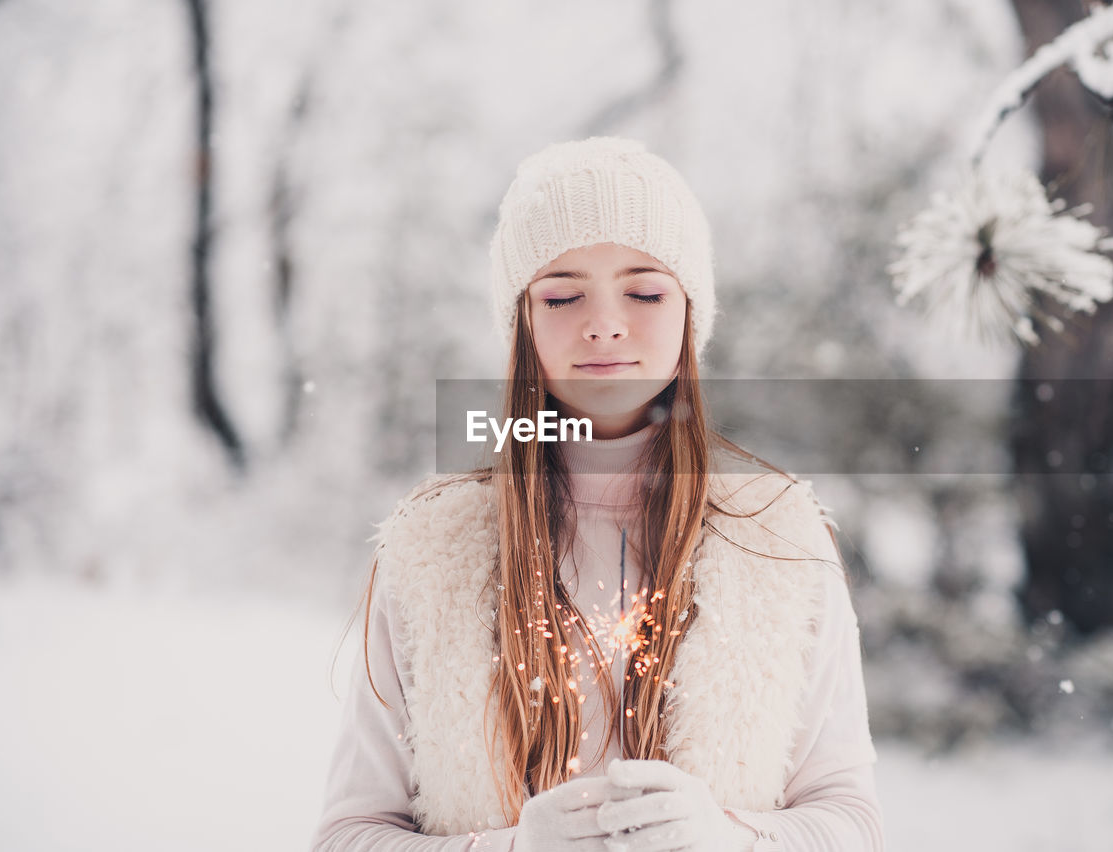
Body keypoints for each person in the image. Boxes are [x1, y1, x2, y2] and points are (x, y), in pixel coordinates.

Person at [310, 136, 885, 851]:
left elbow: (850, 823)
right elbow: (349, 835)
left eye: (644, 290)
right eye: (562, 294)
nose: (605, 321)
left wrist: (730, 839)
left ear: (689, 313)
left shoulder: (780, 539)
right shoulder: (430, 552)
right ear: (523, 321)